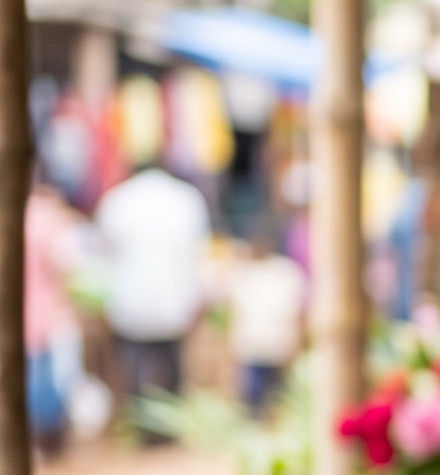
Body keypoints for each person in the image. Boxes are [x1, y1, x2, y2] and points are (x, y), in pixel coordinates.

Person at [94, 147, 212, 420]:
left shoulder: (118, 200)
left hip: (132, 302)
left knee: (135, 367)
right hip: (175, 299)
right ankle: (171, 425)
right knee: (174, 366)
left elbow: (102, 253)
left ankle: (142, 423)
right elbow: (200, 253)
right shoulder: (186, 199)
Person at [23, 177, 82, 457]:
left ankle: (34, 442)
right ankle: (49, 442)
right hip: (46, 316)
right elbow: (67, 264)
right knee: (47, 381)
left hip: (22, 319)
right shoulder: (49, 219)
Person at [223, 217, 306, 413]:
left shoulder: (285, 272)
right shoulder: (244, 273)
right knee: (254, 397)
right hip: (252, 345)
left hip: (276, 344)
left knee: (277, 397)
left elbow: (297, 313)